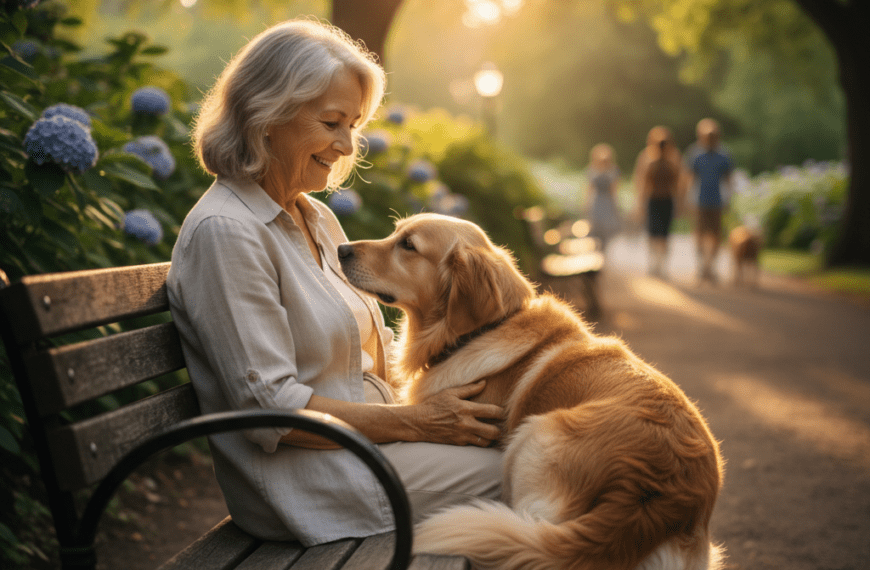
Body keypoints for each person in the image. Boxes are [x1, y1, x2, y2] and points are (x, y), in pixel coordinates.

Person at [166, 19, 503, 548]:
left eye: (354, 124)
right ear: (268, 114)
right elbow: (270, 412)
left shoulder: (314, 218)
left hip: (370, 448)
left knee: (540, 449)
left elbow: (368, 353)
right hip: (314, 483)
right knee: (537, 473)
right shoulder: (227, 233)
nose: (347, 145)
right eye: (331, 123)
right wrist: (420, 422)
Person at [684, 118, 734, 285]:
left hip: (717, 201)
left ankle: (710, 266)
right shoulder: (695, 153)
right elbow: (690, 178)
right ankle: (701, 266)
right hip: (699, 200)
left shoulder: (724, 154)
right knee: (699, 233)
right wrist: (687, 198)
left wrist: (730, 198)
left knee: (715, 235)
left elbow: (728, 179)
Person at [632, 126, 683, 278]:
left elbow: (678, 183)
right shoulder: (648, 158)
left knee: (664, 234)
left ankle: (661, 264)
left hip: (666, 200)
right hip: (654, 200)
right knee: (653, 233)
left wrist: (680, 202)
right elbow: (642, 182)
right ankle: (654, 263)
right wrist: (640, 203)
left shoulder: (673, 160)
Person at [585, 143, 622, 254]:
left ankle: (604, 253)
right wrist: (587, 203)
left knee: (607, 230)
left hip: (607, 202)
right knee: (596, 229)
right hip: (597, 202)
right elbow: (589, 188)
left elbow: (614, 190)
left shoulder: (613, 171)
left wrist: (616, 204)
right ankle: (597, 253)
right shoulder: (592, 170)